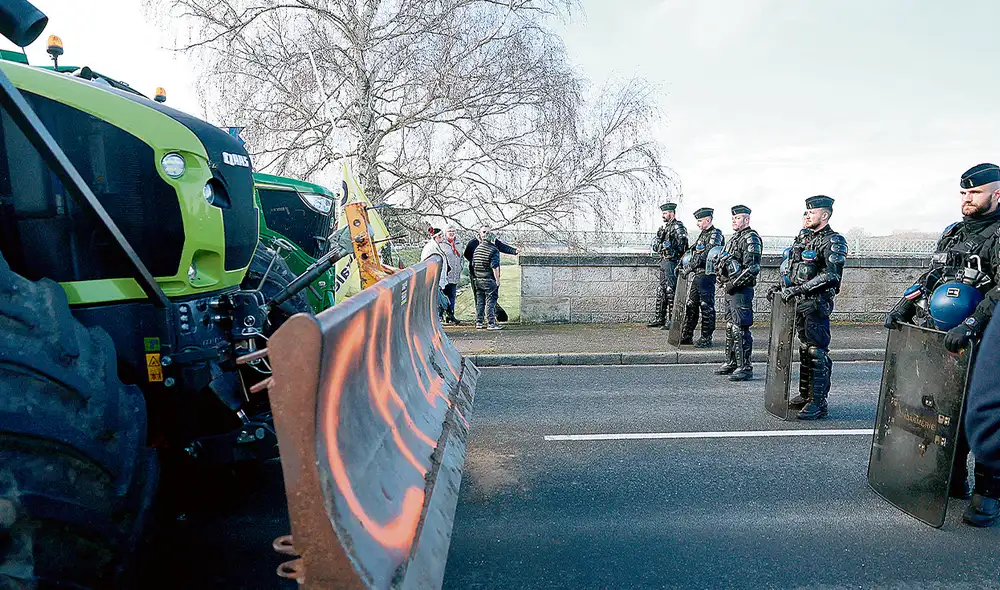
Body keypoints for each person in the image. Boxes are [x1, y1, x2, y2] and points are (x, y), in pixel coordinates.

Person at [884, 163, 1000, 524]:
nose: (967, 199)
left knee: (982, 412)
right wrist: (905, 302)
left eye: (975, 193)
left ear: (997, 194)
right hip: (945, 336)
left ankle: (989, 493)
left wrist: (971, 323)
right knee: (946, 405)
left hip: (987, 337)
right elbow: (934, 274)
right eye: (963, 193)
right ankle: (952, 479)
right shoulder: (953, 233)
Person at [766, 195, 847, 420]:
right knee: (805, 349)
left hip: (816, 303)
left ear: (825, 215)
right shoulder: (804, 239)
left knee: (816, 350)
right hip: (799, 304)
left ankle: (818, 402)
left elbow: (831, 276)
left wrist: (801, 291)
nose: (807, 215)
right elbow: (793, 269)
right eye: (807, 212)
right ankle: (805, 394)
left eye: (812, 212)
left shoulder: (834, 241)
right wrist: (779, 286)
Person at [714, 205, 763, 381]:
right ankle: (732, 362)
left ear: (747, 220)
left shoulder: (751, 238)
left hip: (741, 289)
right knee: (730, 326)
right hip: (731, 288)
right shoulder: (734, 238)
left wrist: (733, 284)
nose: (734, 220)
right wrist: (722, 280)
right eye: (733, 218)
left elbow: (752, 268)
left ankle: (745, 367)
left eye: (738, 218)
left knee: (740, 328)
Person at [679, 207, 724, 347]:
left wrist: (689, 267)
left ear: (708, 220)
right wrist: (681, 264)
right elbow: (692, 251)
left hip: (706, 275)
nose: (698, 224)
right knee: (691, 304)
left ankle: (706, 338)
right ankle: (687, 335)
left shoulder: (715, 234)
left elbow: (706, 255)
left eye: (699, 221)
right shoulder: (703, 235)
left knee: (706, 306)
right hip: (698, 275)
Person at [648, 202, 689, 329]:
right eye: (663, 213)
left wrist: (673, 251)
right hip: (664, 261)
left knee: (671, 290)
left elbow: (683, 246)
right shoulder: (665, 228)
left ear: (672, 213)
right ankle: (660, 318)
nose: (663, 216)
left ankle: (673, 321)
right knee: (662, 290)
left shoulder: (678, 227)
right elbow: (657, 247)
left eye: (665, 213)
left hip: (673, 262)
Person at [464, 226, 518, 322]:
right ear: (479, 232)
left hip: (489, 274)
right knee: (480, 298)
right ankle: (486, 320)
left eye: (488, 232)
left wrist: (514, 251)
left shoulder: (494, 242)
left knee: (490, 297)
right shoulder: (473, 243)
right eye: (484, 232)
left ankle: (486, 319)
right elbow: (467, 255)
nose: (486, 234)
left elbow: (503, 247)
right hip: (476, 274)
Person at [471, 232, 503, 330]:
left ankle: (479, 322)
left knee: (480, 302)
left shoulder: (477, 249)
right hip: (489, 280)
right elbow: (495, 266)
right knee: (491, 301)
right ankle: (491, 323)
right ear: (493, 240)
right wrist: (497, 280)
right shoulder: (494, 250)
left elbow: (473, 264)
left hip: (478, 279)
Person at [421, 226, 451, 321]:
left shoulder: (436, 246)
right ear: (436, 237)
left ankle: (441, 315)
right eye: (441, 235)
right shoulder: (431, 248)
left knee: (439, 297)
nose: (443, 237)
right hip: (434, 277)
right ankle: (441, 315)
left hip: (439, 276)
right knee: (438, 298)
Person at [442, 227, 463, 325]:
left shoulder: (458, 243)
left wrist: (461, 267)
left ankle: (451, 316)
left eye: (453, 231)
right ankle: (440, 316)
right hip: (445, 275)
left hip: (455, 274)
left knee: (452, 296)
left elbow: (461, 257)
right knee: (443, 296)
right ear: (445, 233)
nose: (451, 233)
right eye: (449, 231)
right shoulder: (442, 244)